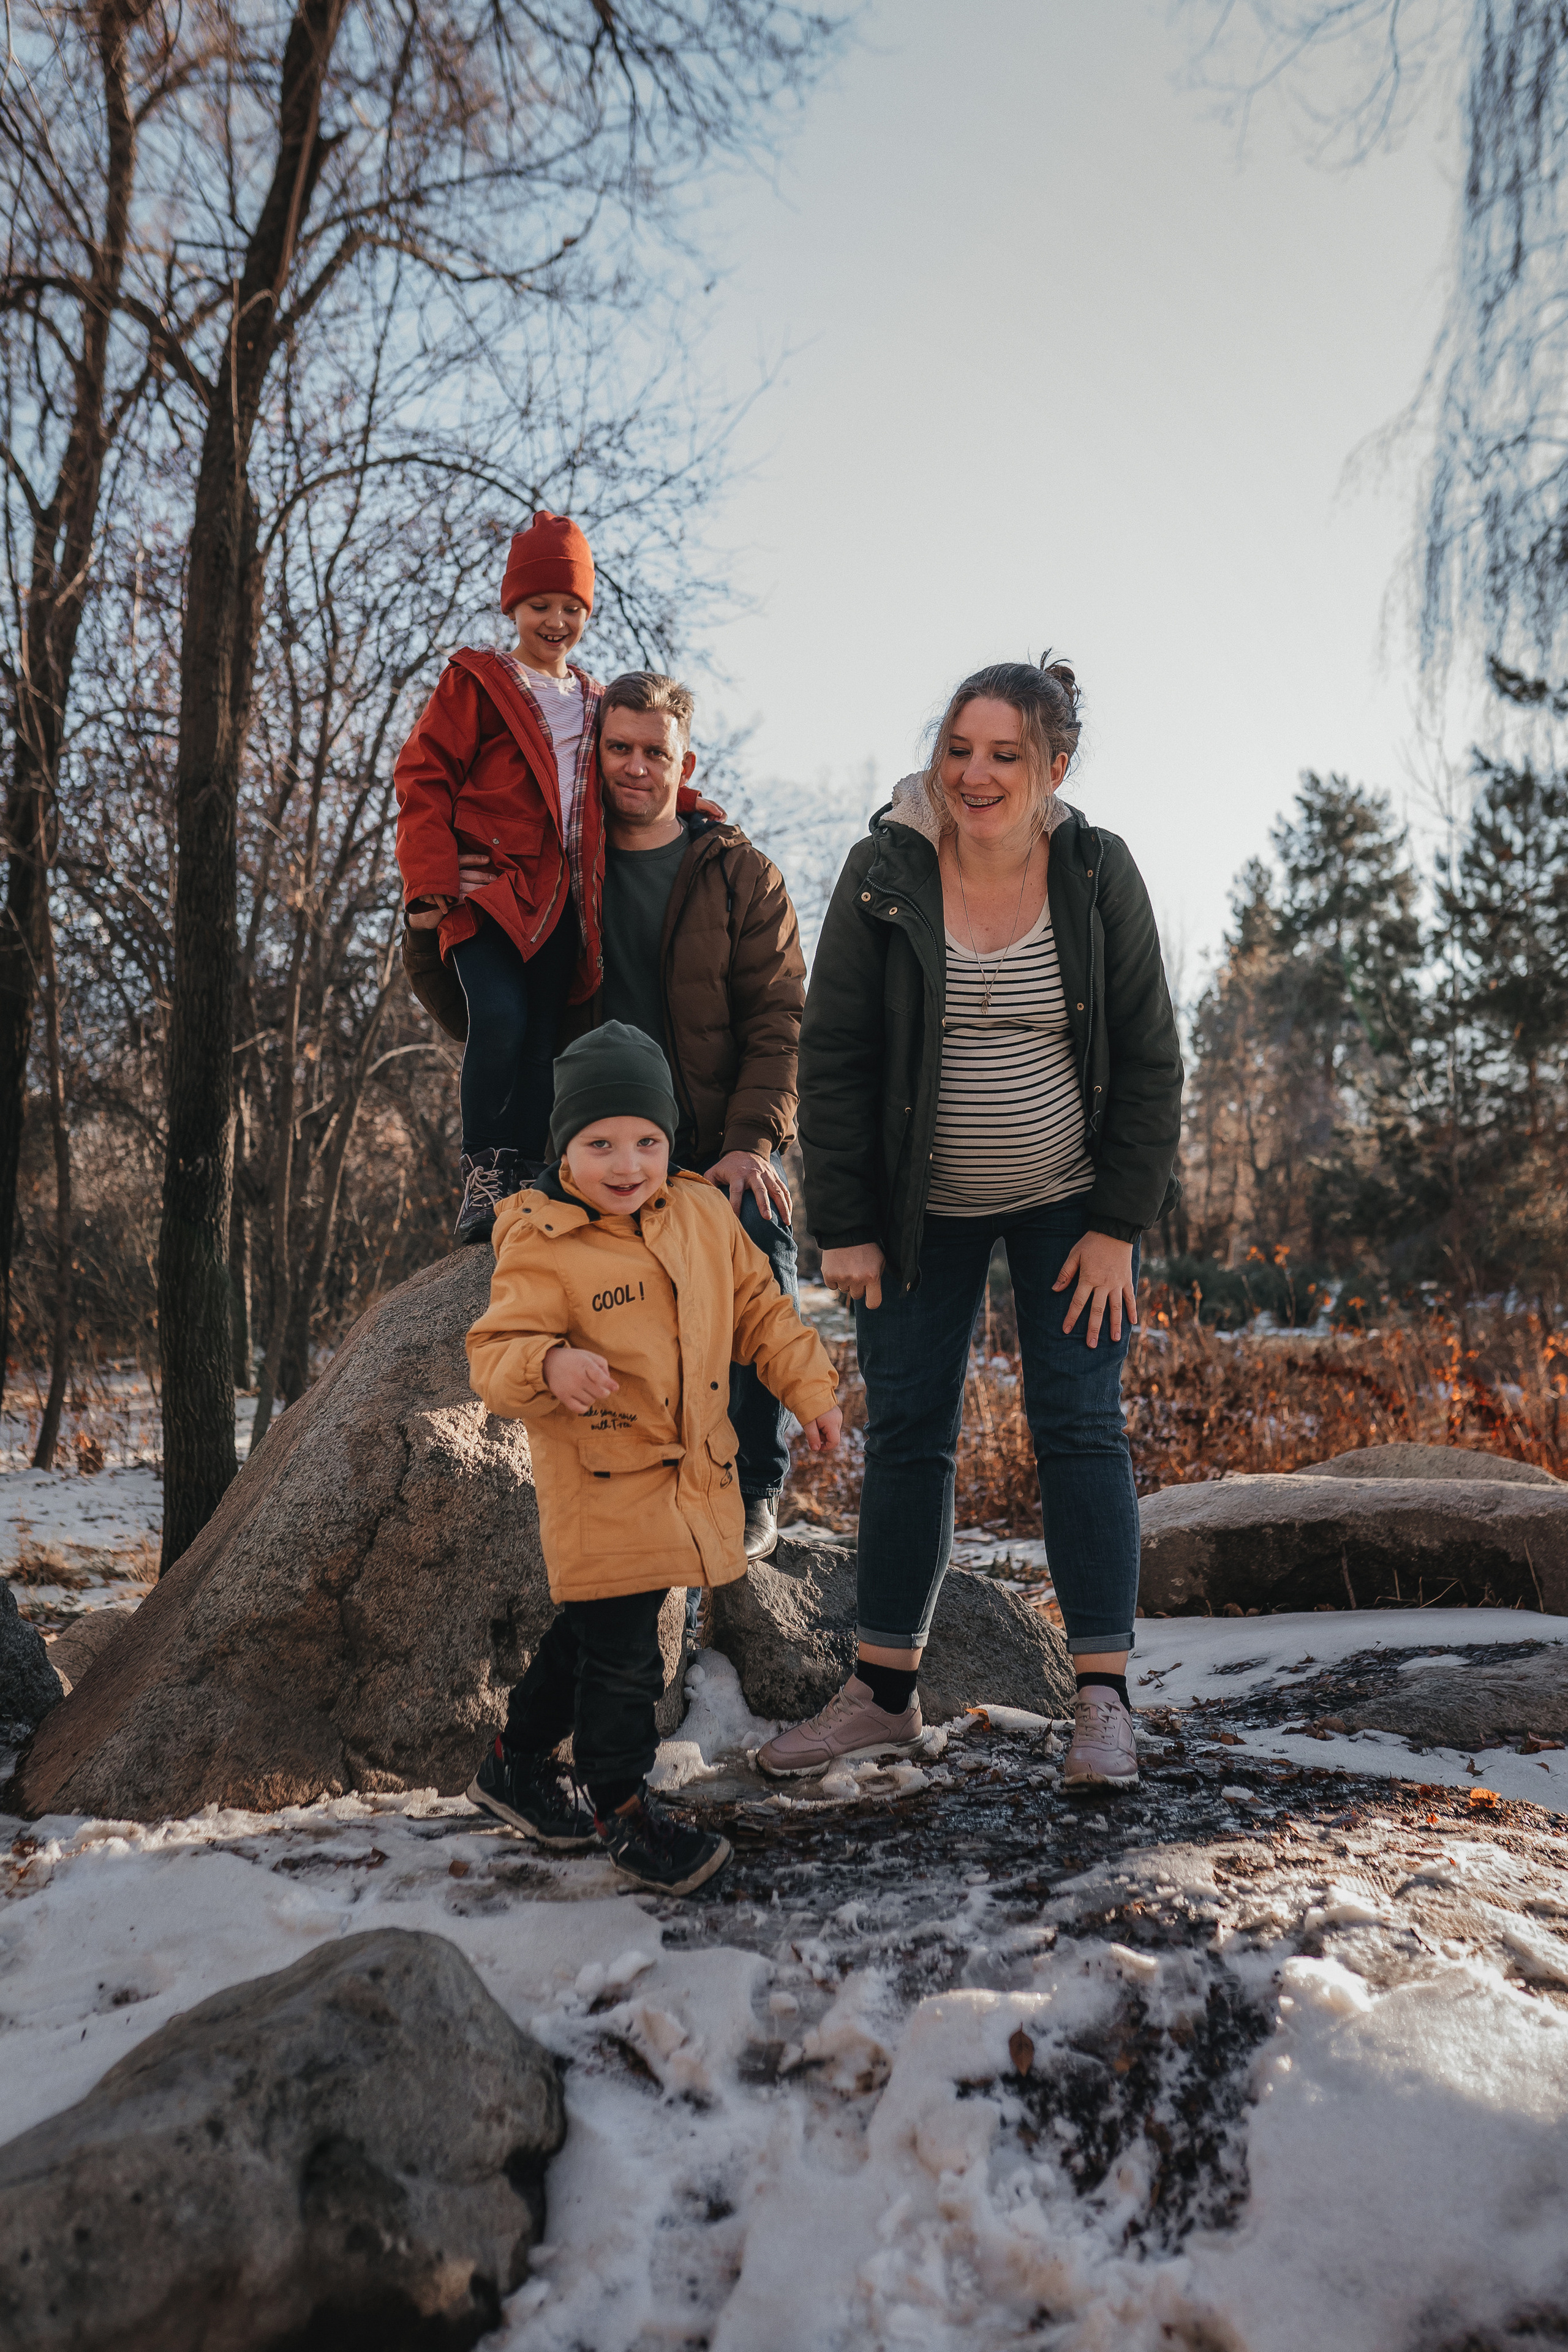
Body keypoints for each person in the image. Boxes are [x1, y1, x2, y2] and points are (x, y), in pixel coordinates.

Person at [757, 658, 1182, 1792]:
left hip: (1069, 1207)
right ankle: (881, 1697)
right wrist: (845, 1224)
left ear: (1054, 766)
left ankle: (1103, 1701)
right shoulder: (884, 868)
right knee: (908, 1434)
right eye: (959, 749)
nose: (975, 775)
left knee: (1081, 1425)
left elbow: (1148, 1059)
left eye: (1004, 754)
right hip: (915, 1212)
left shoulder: (1095, 871)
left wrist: (1117, 1226)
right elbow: (834, 1055)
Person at [464, 1021, 842, 1894]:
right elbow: (496, 1354)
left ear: (671, 1142)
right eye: (600, 1143)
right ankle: (623, 1807)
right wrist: (550, 1365)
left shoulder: (703, 1215)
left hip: (691, 1477)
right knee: (627, 1656)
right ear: (567, 1147)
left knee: (594, 1636)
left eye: (646, 1140)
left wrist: (809, 1389)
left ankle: (513, 1764)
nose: (625, 1163)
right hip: (601, 1486)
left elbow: (763, 1313)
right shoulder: (541, 1238)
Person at [393, 513, 712, 1245]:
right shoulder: (477, 680)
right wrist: (431, 880)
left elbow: (632, 771)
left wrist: (694, 806)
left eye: (571, 608)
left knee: (544, 1041)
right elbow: (424, 776)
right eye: (541, 606)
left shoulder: (597, 703)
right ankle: (484, 1170)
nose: (556, 621)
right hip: (491, 892)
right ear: (512, 606)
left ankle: (535, 1172)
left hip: (565, 901)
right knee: (498, 1019)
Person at [582, 668, 807, 1560]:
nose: (636, 768)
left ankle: (753, 1491)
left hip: (712, 1144)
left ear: (687, 760)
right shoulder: (563, 864)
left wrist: (752, 1144)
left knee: (760, 1235)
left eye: (655, 753)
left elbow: (780, 1020)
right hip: (595, 1152)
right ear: (596, 753)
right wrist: (433, 916)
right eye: (619, 750)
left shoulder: (739, 874)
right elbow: (484, 1005)